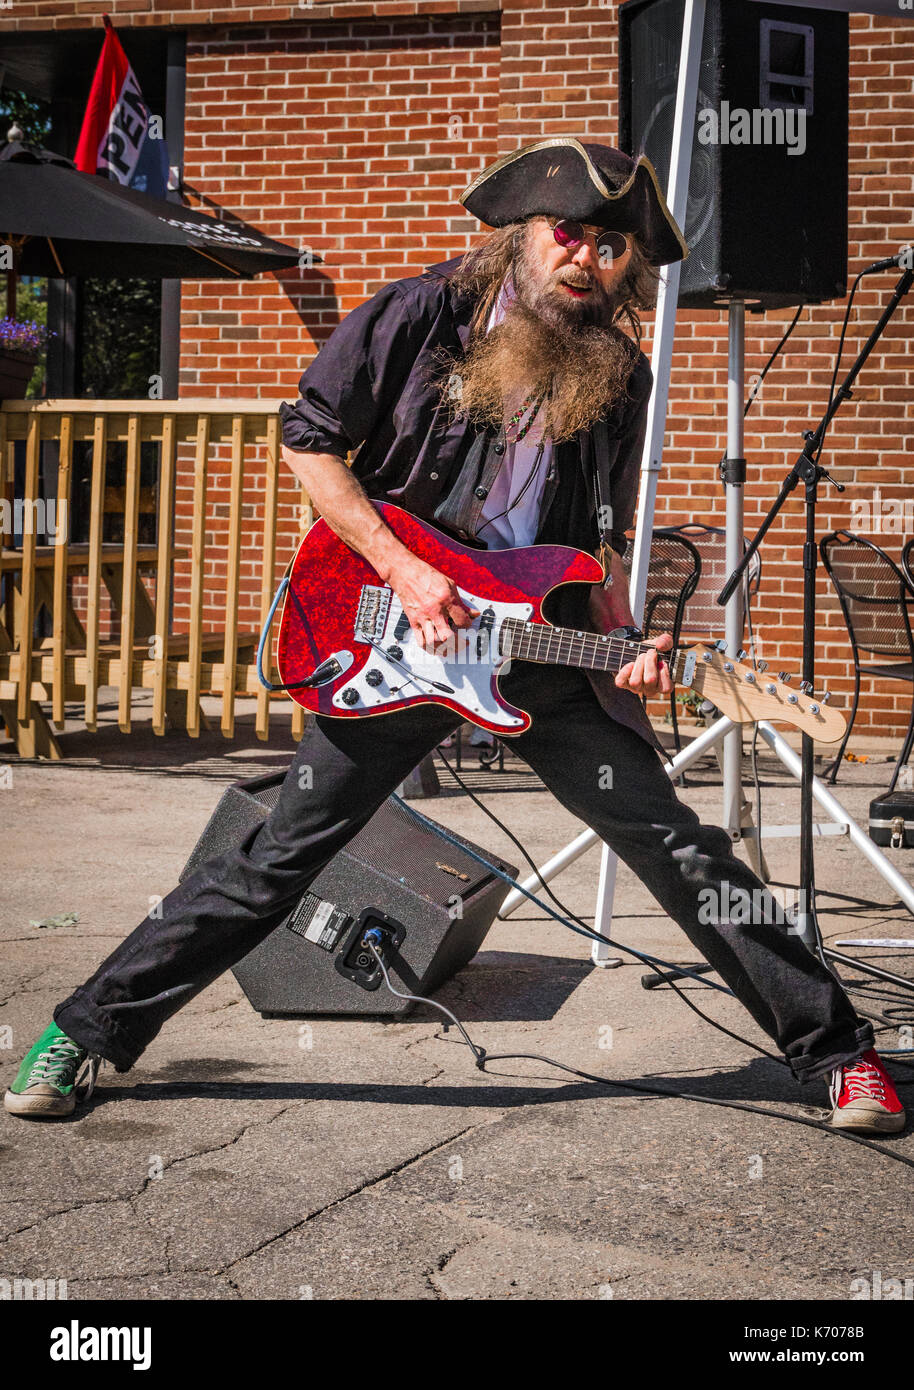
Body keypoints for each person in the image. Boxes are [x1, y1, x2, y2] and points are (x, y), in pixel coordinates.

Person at [5, 138, 903, 1135]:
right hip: (395, 638)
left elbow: (594, 545)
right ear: (521, 235)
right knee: (272, 860)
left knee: (676, 846)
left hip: (536, 653)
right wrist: (403, 568)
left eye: (612, 248)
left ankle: (836, 1056)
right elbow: (308, 441)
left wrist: (627, 635)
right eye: (568, 234)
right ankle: (87, 1031)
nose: (587, 260)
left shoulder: (619, 373)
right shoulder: (419, 315)